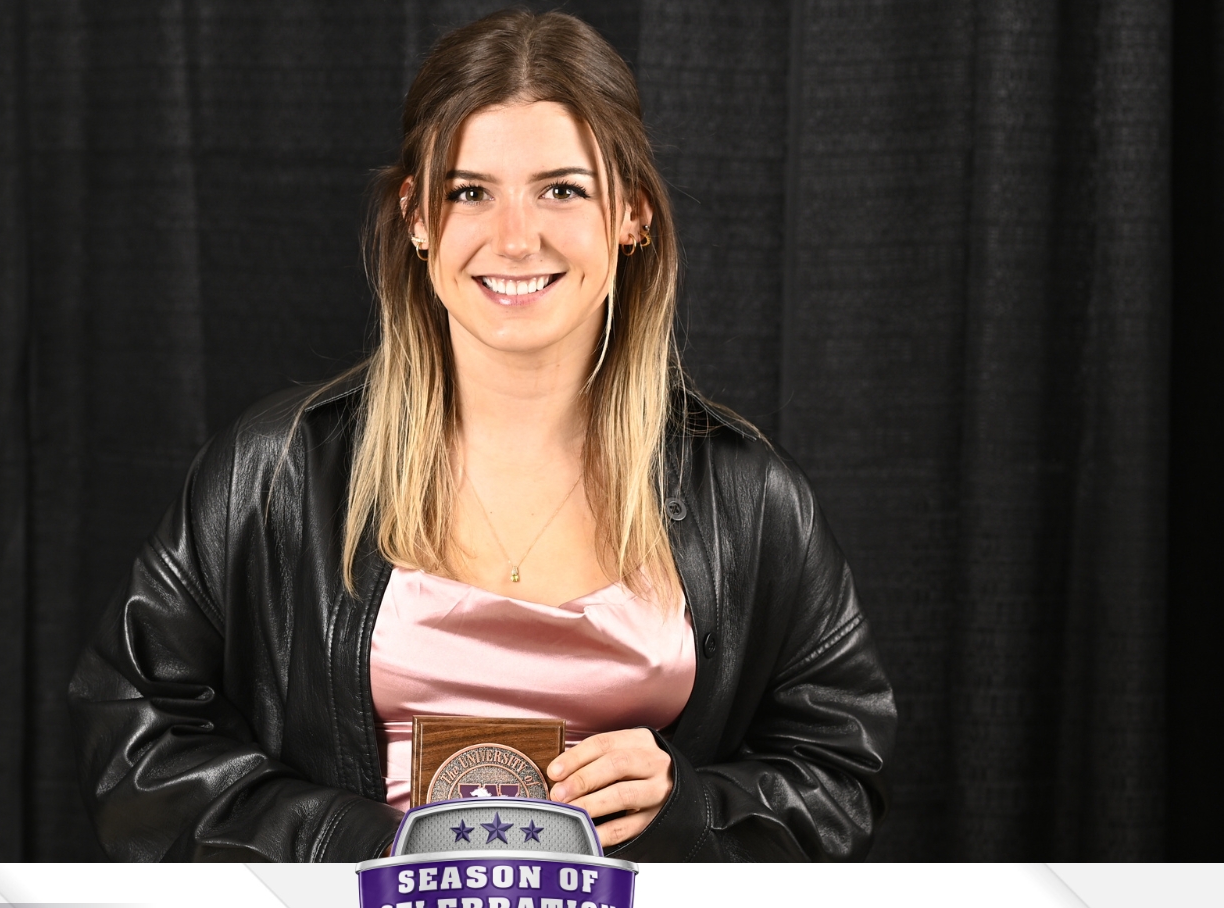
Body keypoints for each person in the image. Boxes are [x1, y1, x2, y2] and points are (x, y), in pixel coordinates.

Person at [68, 10, 896, 862]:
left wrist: (691, 809)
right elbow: (129, 733)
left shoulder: (749, 498)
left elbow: (840, 772)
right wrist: (343, 844)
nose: (515, 238)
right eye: (470, 192)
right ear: (417, 218)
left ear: (633, 214)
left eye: (562, 190)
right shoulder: (276, 471)